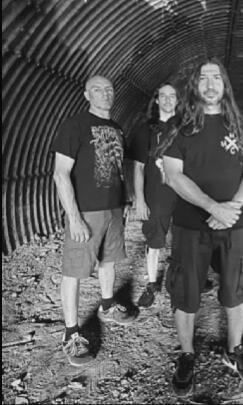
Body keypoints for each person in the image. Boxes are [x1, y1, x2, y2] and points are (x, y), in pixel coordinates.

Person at [161, 57, 243, 397]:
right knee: (185, 290)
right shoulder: (180, 126)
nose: (209, 84)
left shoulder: (242, 124)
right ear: (194, 86)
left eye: (216, 77)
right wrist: (211, 206)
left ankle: (234, 349)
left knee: (237, 288)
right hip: (191, 224)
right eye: (203, 78)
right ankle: (187, 355)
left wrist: (232, 207)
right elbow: (173, 175)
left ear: (225, 84)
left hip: (236, 223)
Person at [52, 75, 136, 367]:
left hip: (113, 209)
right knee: (74, 271)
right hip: (86, 212)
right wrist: (74, 218)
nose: (105, 93)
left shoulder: (117, 128)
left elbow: (119, 168)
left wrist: (124, 202)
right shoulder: (74, 126)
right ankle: (71, 334)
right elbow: (60, 174)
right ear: (87, 95)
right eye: (97, 89)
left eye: (109, 89)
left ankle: (107, 305)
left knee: (109, 261)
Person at [129, 82, 178, 308]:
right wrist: (140, 199)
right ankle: (151, 284)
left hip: (182, 194)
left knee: (186, 237)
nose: (167, 99)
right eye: (163, 96)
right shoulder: (146, 130)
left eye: (172, 96)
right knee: (155, 239)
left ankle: (185, 278)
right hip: (156, 194)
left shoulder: (185, 128)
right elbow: (138, 167)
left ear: (177, 100)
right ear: (157, 100)